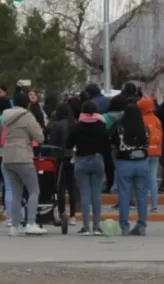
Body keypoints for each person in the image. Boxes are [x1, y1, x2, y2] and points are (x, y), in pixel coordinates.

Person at [2, 92, 47, 236]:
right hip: (22, 155)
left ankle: (15, 226)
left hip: (7, 156)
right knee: (34, 190)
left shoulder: (6, 115)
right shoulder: (27, 116)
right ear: (27, 103)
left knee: (16, 193)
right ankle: (31, 223)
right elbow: (39, 137)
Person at [68, 100, 108, 235]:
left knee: (84, 193)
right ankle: (96, 226)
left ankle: (85, 227)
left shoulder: (76, 127)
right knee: (96, 194)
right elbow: (106, 145)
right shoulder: (102, 126)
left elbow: (68, 144)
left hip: (81, 161)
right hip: (97, 159)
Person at [111, 103, 150, 236]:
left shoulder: (119, 128)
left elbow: (112, 141)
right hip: (142, 163)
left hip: (124, 163)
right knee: (142, 195)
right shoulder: (144, 129)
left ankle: (124, 226)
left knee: (124, 195)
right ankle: (142, 225)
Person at [45, 102, 78, 224]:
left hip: (60, 158)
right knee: (72, 187)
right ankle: (73, 215)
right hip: (73, 157)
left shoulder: (56, 125)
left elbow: (52, 142)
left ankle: (62, 212)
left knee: (61, 187)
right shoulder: (74, 124)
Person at [138, 96, 163, 213]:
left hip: (145, 152)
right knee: (153, 178)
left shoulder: (141, 120)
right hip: (156, 151)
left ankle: (143, 204)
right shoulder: (157, 120)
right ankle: (154, 205)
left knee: (142, 179)